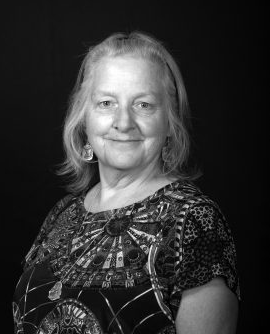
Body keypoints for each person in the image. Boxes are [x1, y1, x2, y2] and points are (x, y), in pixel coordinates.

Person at [13, 32, 240, 334]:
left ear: (170, 123)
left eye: (143, 105)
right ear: (84, 120)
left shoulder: (194, 220)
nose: (123, 122)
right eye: (106, 103)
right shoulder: (63, 214)